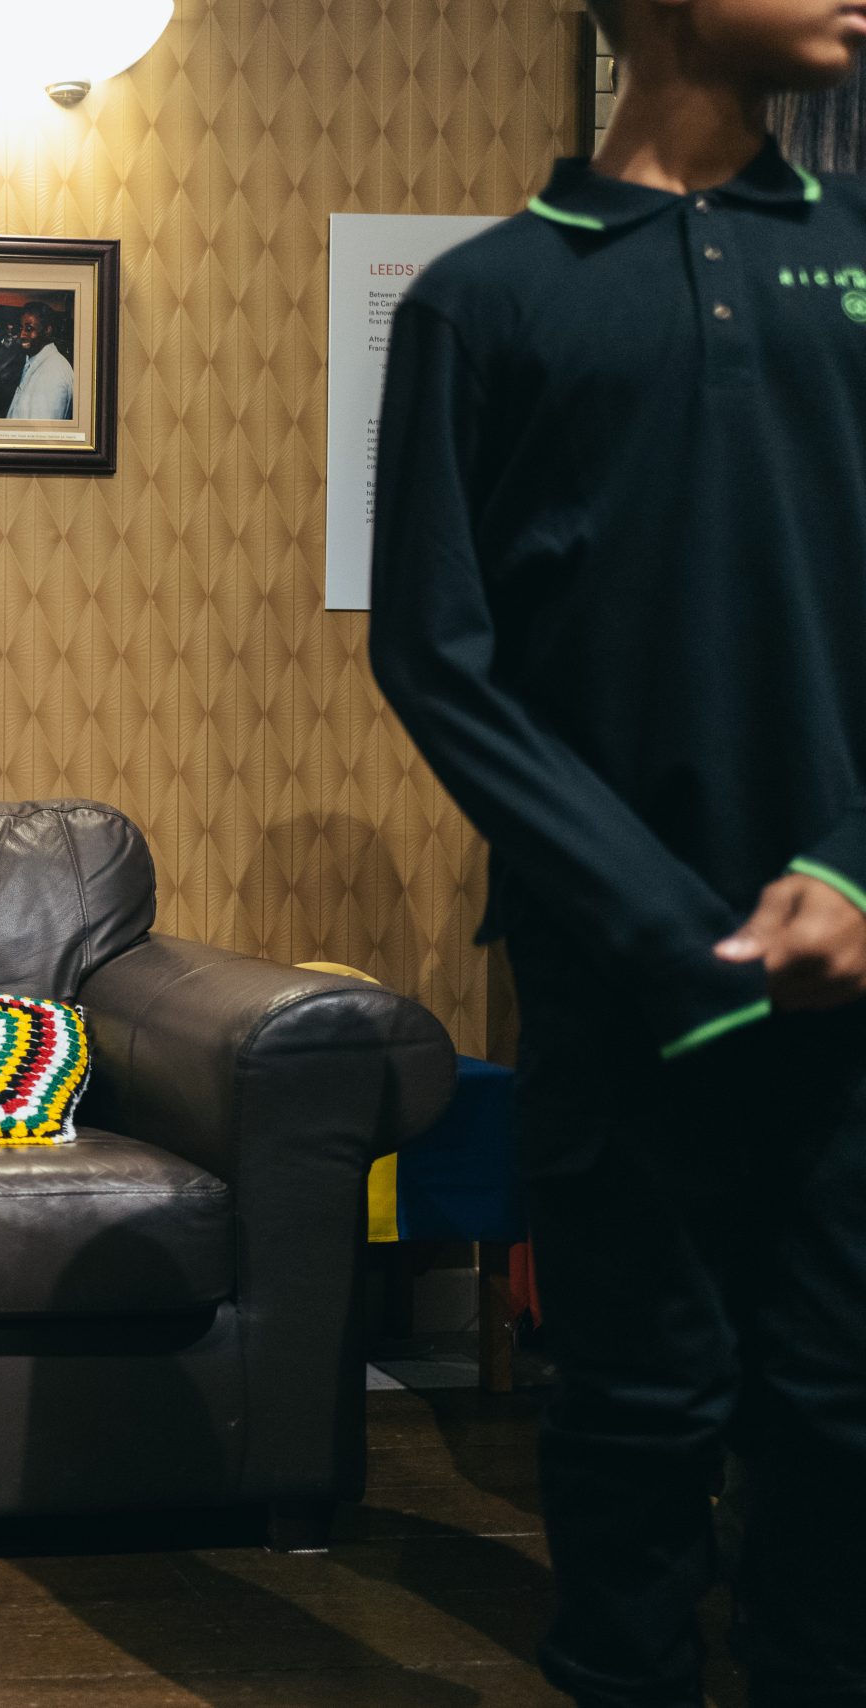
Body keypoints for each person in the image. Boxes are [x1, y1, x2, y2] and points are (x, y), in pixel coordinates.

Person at [367, 0, 866, 1701]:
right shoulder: (483, 299)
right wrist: (666, 928)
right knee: (635, 1428)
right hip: (614, 989)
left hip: (864, 983)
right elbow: (437, 652)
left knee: (841, 1417)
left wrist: (858, 871)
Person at [5, 306, 74, 421]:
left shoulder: (53, 373)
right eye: (21, 328)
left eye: (29, 328)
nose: (22, 335)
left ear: (47, 330)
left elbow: (42, 434)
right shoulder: (35, 360)